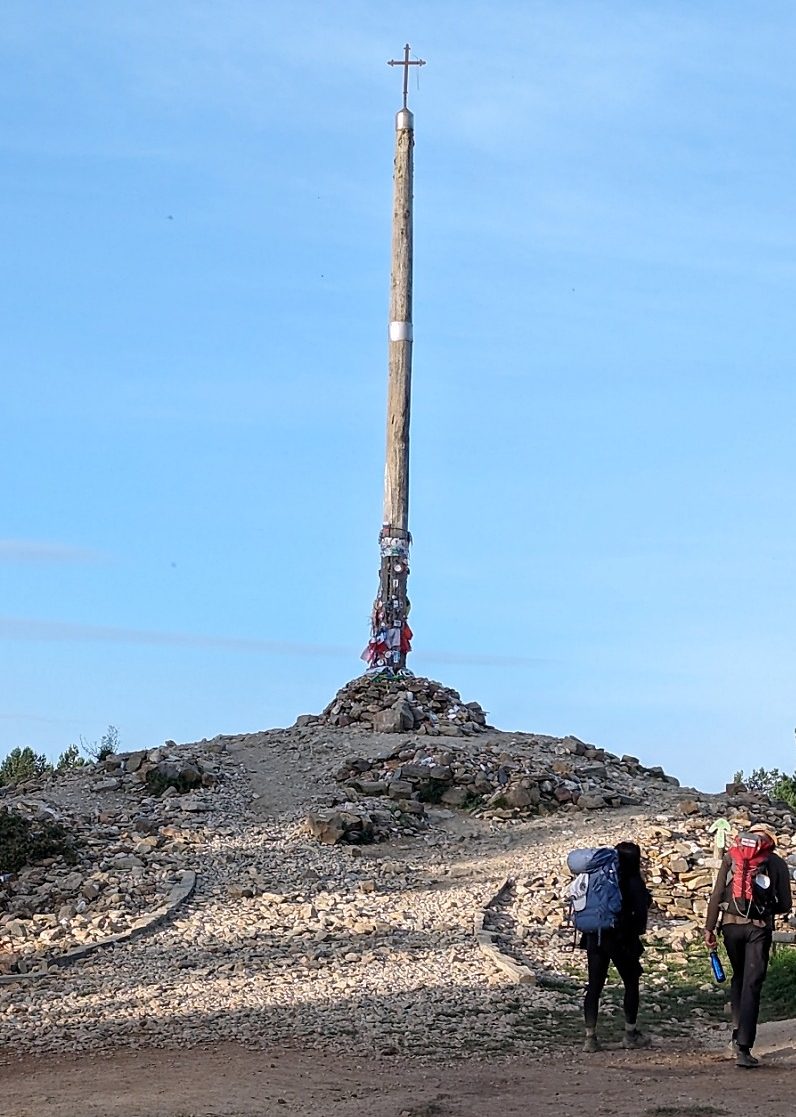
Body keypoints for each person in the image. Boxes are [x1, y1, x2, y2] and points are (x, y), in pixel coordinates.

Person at [704, 822, 793, 1068]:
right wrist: (765, 909)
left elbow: (717, 894)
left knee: (739, 976)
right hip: (758, 928)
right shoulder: (775, 862)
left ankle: (735, 1031)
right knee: (752, 984)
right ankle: (744, 1047)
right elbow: (785, 904)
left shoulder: (731, 857)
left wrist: (709, 927)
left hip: (730, 926)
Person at [581, 840, 652, 1052]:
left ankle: (590, 1037)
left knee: (594, 986)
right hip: (622, 939)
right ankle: (630, 1033)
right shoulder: (633, 882)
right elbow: (640, 915)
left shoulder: (600, 879)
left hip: (595, 936)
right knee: (631, 982)